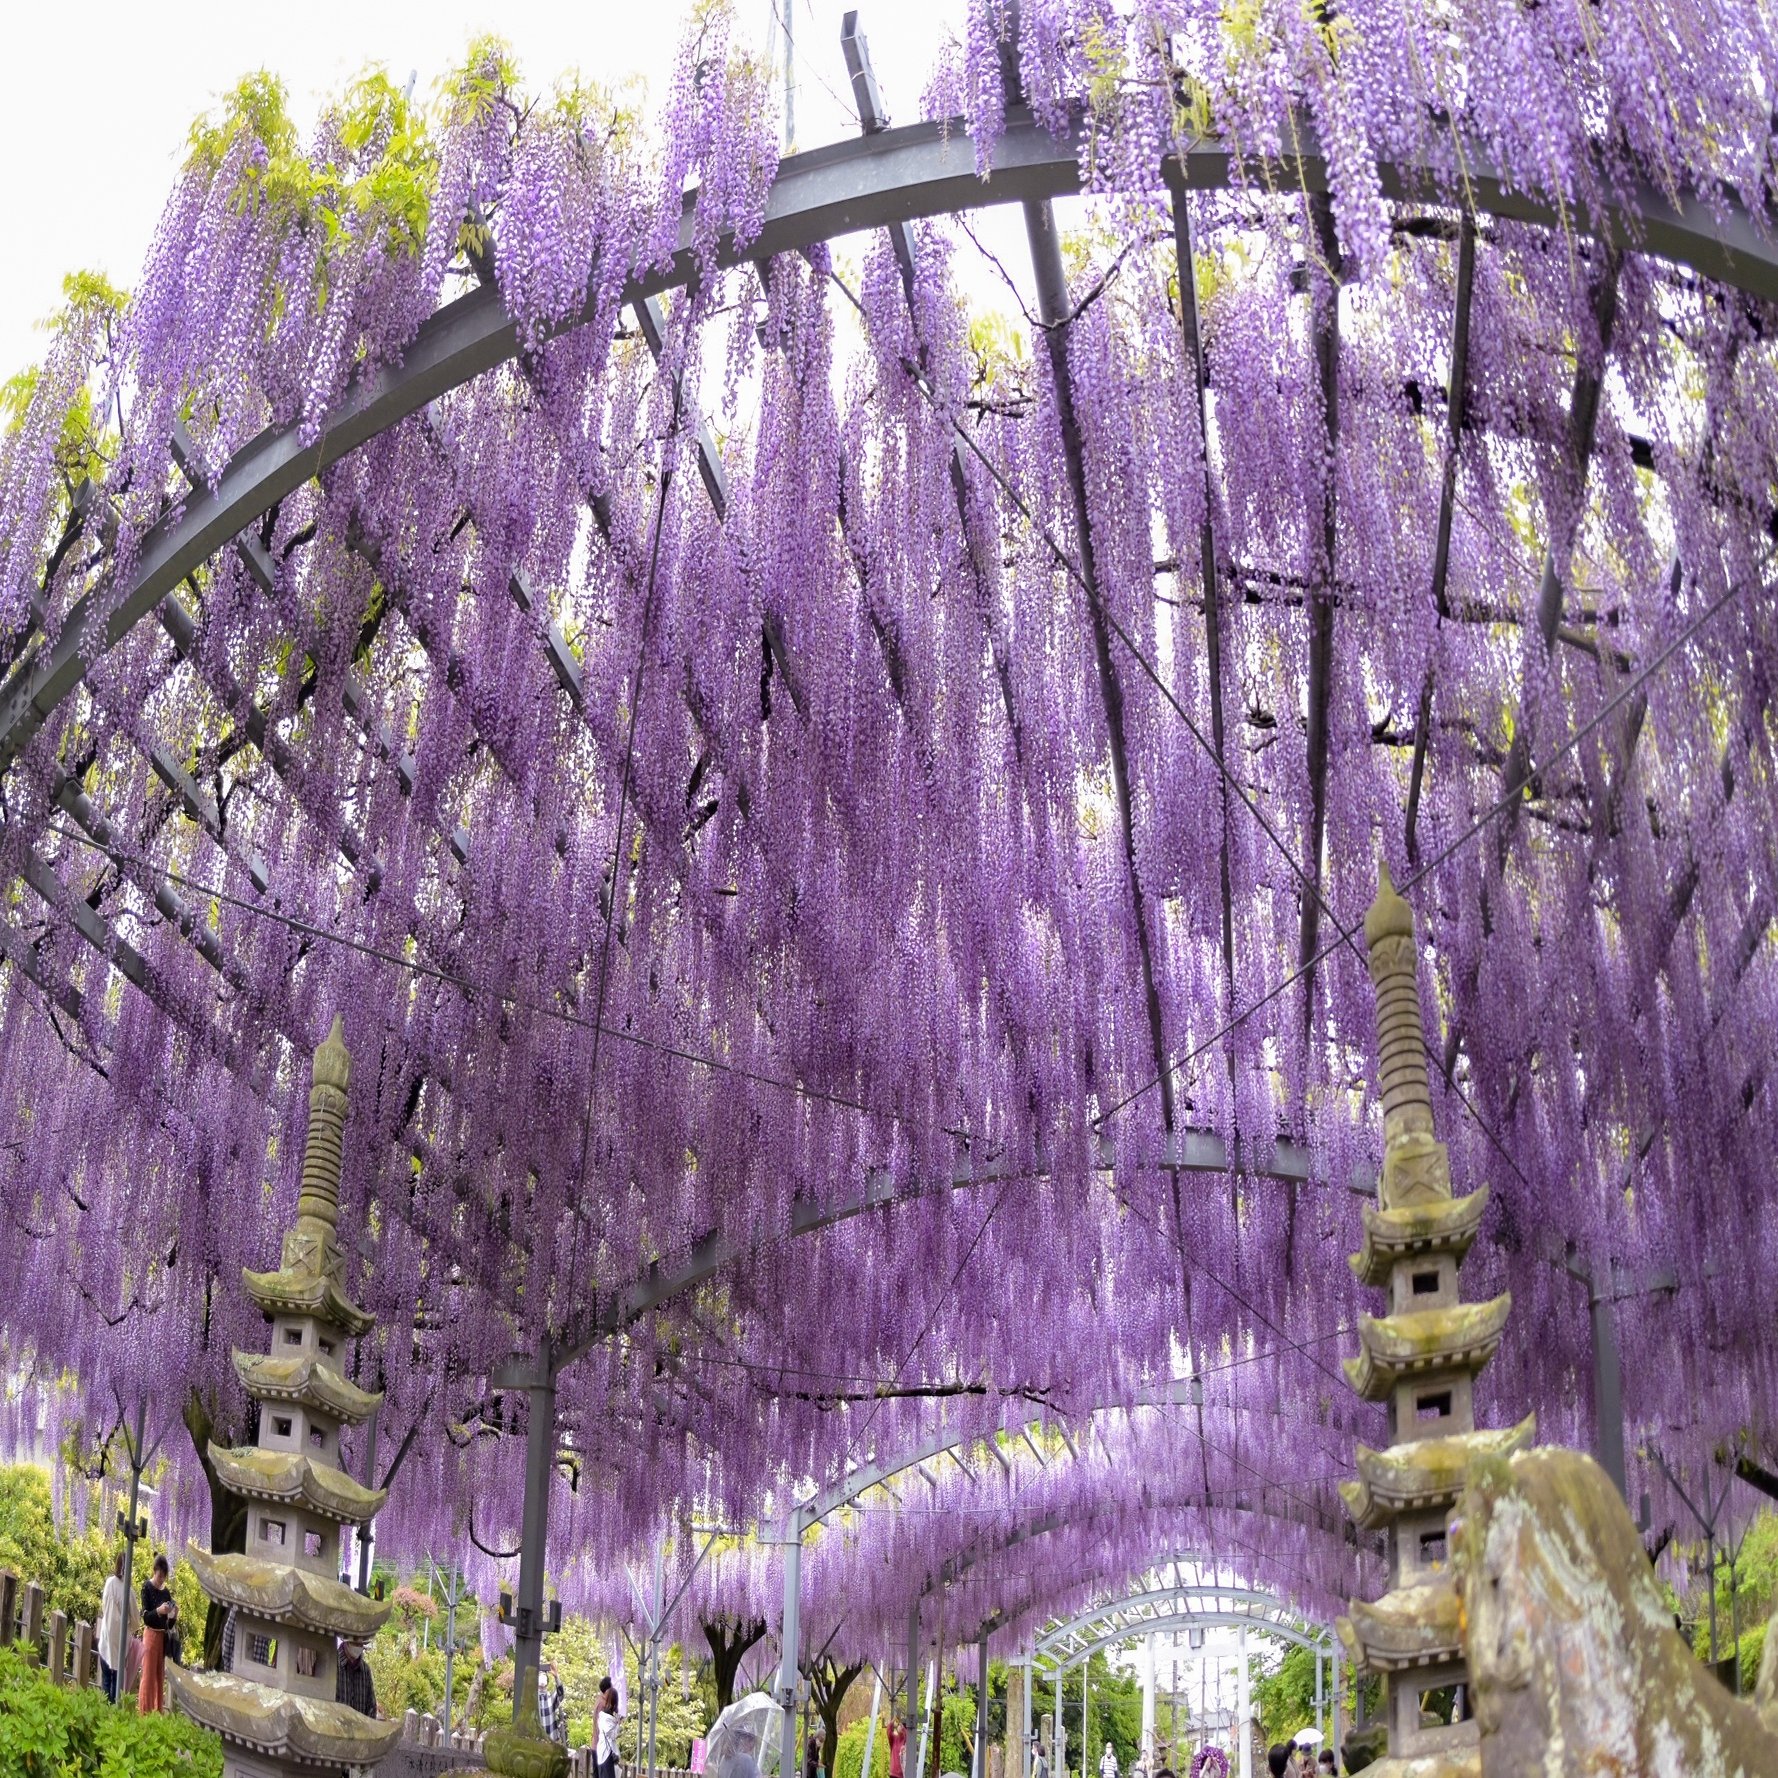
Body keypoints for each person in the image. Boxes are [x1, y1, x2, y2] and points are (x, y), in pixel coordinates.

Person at [137, 1555, 176, 1713]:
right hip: (150, 1634)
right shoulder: (147, 1587)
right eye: (160, 1575)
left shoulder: (166, 1592)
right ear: (154, 1572)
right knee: (148, 1674)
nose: (161, 1579)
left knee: (159, 1676)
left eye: (164, 1576)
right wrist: (159, 1611)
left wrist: (173, 1615)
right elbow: (146, 1617)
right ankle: (144, 1711)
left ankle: (157, 1710)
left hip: (162, 1637)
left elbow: (168, 1625)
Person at [97, 1554, 125, 1704]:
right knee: (115, 1681)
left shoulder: (109, 1583)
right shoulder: (128, 1591)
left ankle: (103, 1711)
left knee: (106, 1680)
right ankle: (112, 1715)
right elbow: (134, 1620)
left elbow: (103, 1606)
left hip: (105, 1638)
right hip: (118, 1643)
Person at [336, 1637, 378, 1717]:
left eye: (361, 1644)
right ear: (346, 1642)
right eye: (355, 1643)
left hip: (360, 1727)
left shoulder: (365, 1670)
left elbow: (371, 1706)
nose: (358, 1647)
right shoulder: (332, 1664)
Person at [538, 1659, 568, 1744]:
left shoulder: (550, 1698)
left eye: (544, 1675)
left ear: (547, 1681)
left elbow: (560, 1694)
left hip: (551, 1742)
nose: (542, 1678)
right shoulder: (533, 1697)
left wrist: (556, 1676)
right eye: (540, 1675)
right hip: (537, 1743)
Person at [597, 1681, 622, 1778]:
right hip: (607, 1754)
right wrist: (618, 1724)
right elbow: (613, 1735)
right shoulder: (608, 1717)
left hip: (602, 1752)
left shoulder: (603, 1714)